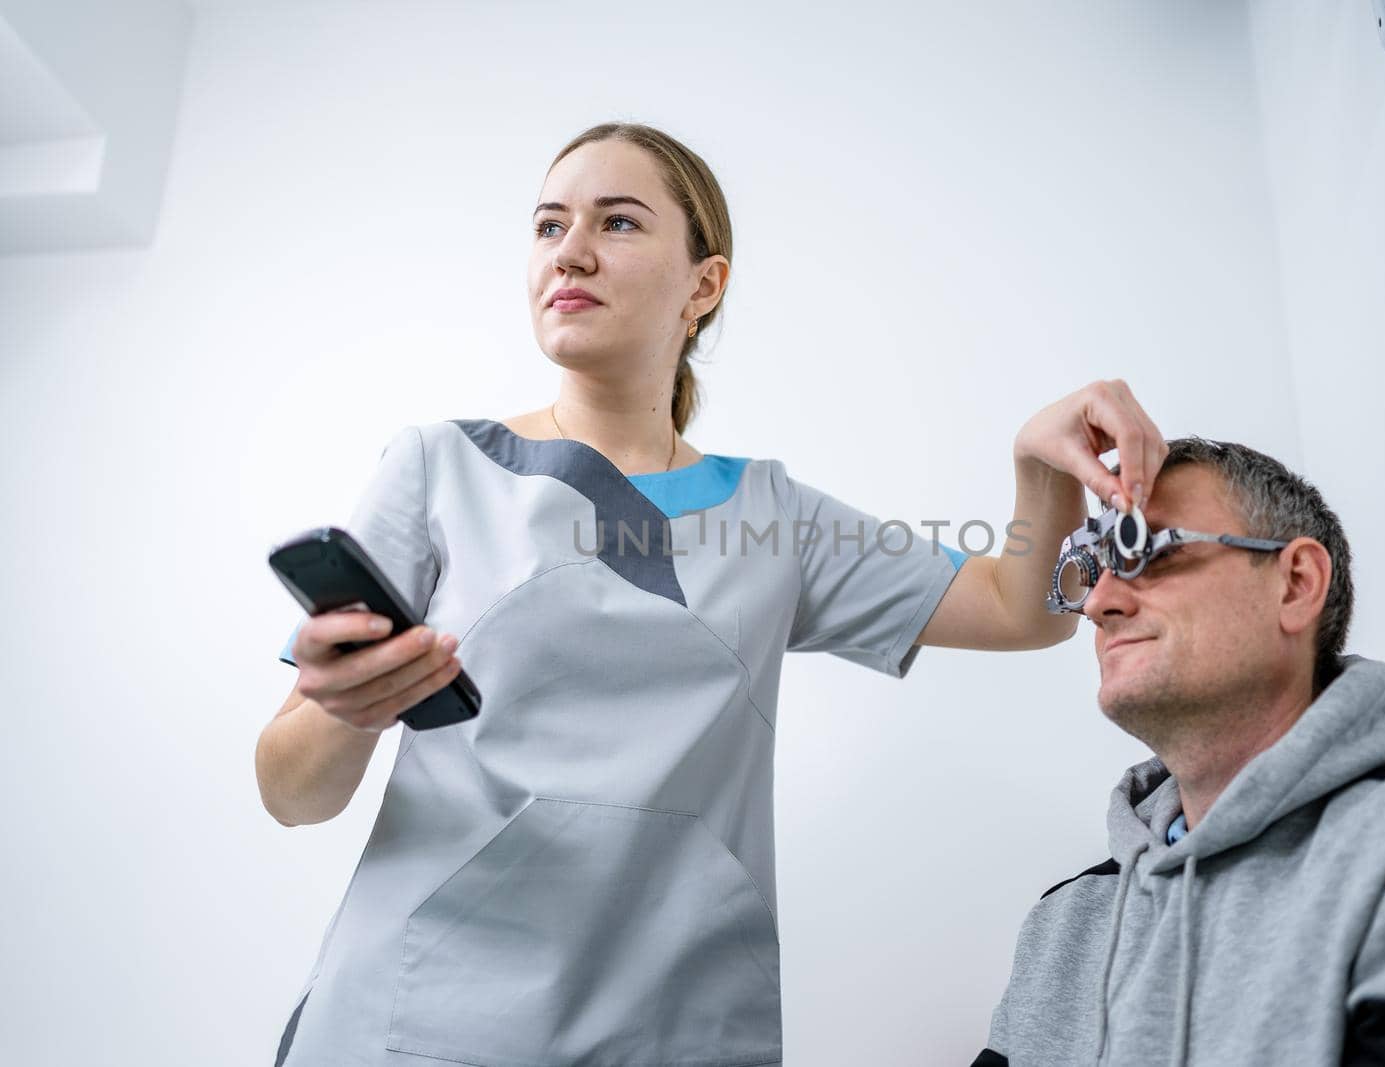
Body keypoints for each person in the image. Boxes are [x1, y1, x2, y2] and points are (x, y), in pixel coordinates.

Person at [255, 120, 1169, 1065]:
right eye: (547, 225)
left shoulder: (773, 518)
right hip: (421, 1021)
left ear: (705, 284)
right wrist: (341, 708)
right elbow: (291, 793)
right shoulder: (438, 470)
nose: (569, 251)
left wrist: (1037, 468)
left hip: (677, 1028)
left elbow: (1022, 609)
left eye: (617, 223)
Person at [972, 437, 1385, 1066]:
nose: (1099, 603)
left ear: (1297, 583)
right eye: (1096, 565)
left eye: (1145, 548)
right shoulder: (1066, 924)